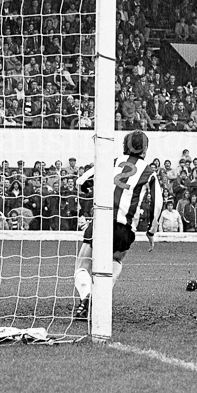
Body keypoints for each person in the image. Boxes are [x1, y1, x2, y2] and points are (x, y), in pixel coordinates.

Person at [72, 130, 162, 319]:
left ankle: (85, 297)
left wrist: (87, 188)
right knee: (115, 261)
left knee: (82, 266)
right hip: (124, 227)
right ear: (145, 149)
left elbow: (81, 182)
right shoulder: (149, 172)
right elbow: (158, 203)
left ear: (124, 146)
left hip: (101, 222)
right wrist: (151, 231)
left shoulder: (112, 162)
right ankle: (99, 299)